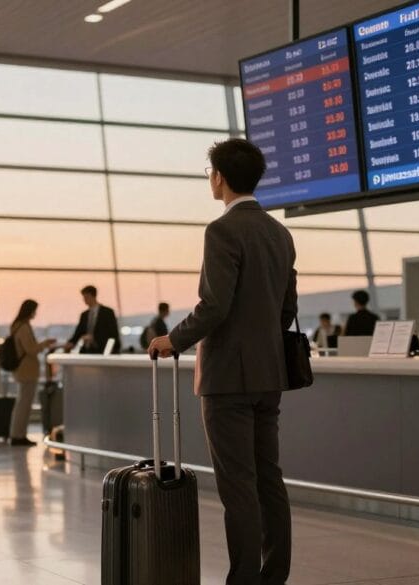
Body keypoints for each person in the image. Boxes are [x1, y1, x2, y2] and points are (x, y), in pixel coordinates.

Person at [149, 138, 298, 585]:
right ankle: (273, 576)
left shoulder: (222, 230)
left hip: (227, 380)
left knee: (237, 485)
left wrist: (172, 341)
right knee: (269, 479)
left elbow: (214, 306)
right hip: (270, 374)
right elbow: (285, 309)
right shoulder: (279, 232)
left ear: (220, 177)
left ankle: (243, 580)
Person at [10, 300, 56, 446]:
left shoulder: (16, 326)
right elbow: (30, 349)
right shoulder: (23, 327)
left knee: (22, 402)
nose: (36, 313)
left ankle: (18, 433)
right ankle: (18, 435)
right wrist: (44, 344)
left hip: (22, 370)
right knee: (24, 403)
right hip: (26, 370)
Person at [64, 285, 121, 354]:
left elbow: (112, 333)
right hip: (86, 351)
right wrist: (70, 343)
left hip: (102, 350)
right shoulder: (84, 315)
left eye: (85, 297)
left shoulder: (107, 312)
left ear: (91, 296)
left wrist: (94, 339)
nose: (84, 300)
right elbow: (78, 333)